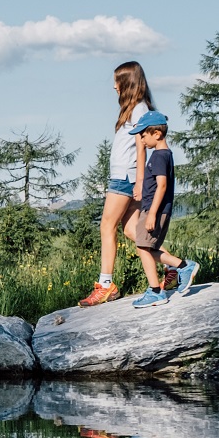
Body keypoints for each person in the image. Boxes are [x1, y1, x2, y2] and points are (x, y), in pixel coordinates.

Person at [79, 61, 156, 307]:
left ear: (128, 83)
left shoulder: (139, 109)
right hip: (125, 176)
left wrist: (140, 181)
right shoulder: (133, 109)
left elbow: (141, 145)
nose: (114, 87)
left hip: (126, 177)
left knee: (106, 226)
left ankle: (105, 285)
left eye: (117, 82)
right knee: (132, 231)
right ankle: (179, 265)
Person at [123, 112, 198, 309]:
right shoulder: (164, 155)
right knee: (148, 248)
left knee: (142, 247)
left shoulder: (158, 156)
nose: (141, 139)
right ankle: (183, 267)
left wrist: (152, 213)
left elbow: (162, 185)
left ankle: (156, 291)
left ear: (156, 133)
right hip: (154, 208)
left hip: (153, 211)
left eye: (143, 135)